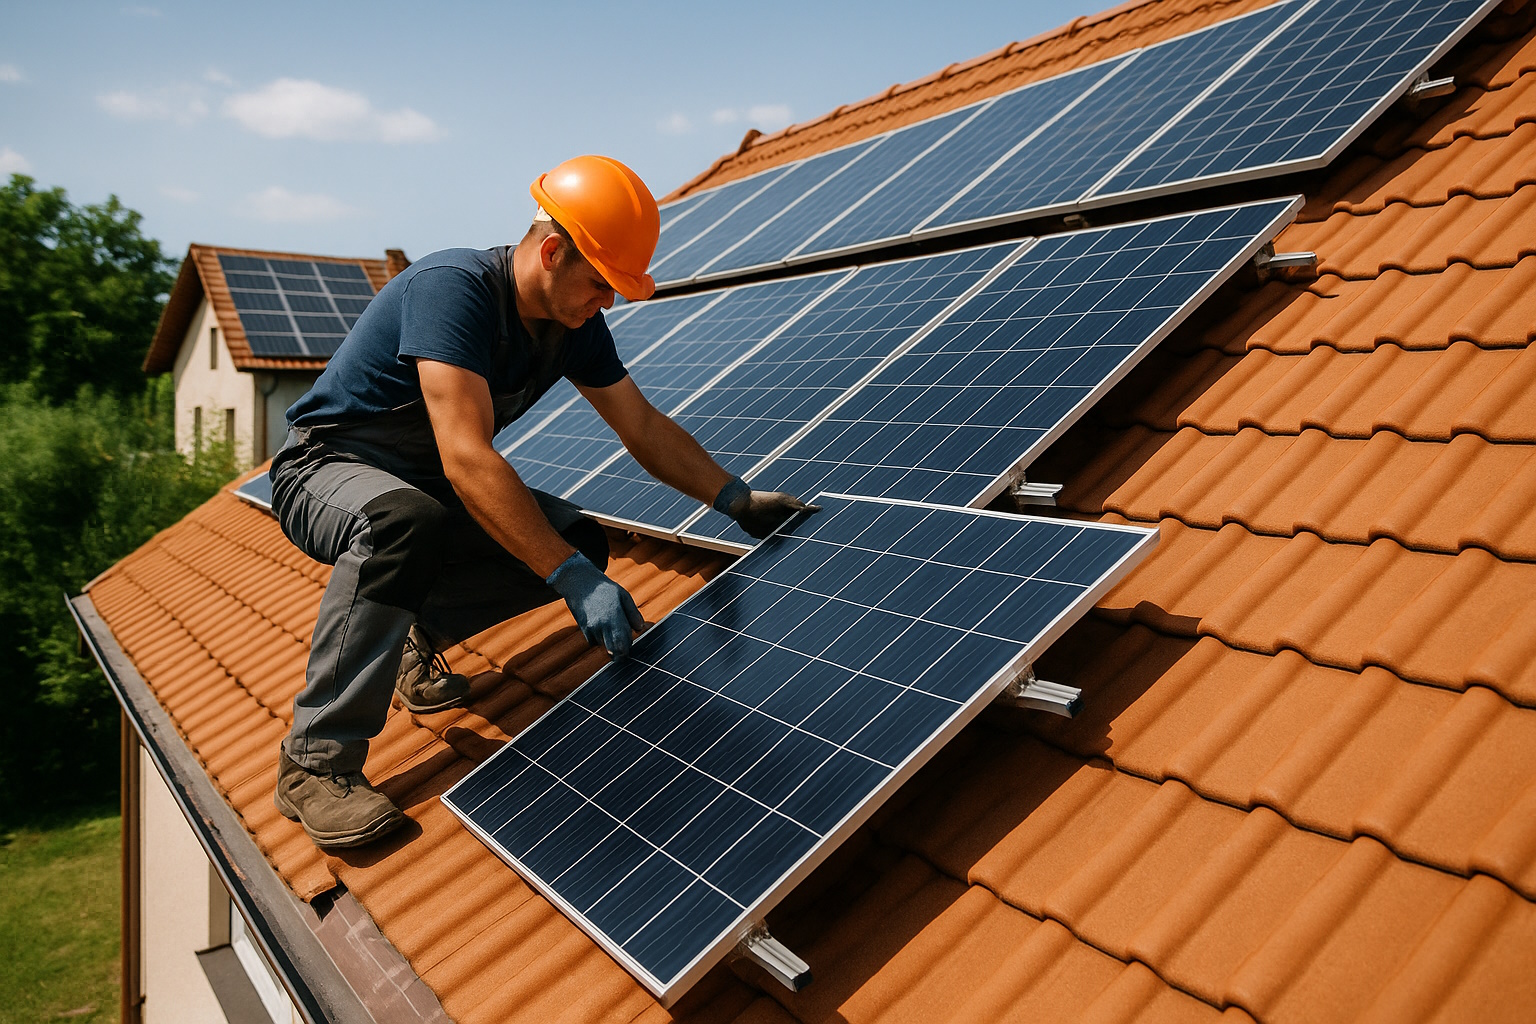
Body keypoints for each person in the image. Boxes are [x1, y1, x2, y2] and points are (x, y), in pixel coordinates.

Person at [268, 155, 814, 849]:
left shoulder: (572, 325)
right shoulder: (454, 291)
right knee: (410, 524)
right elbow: (466, 456)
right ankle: (315, 762)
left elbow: (639, 425)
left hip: (426, 484)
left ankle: (411, 632)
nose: (606, 302)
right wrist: (567, 578)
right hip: (329, 468)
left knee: (576, 539)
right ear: (551, 251)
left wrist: (733, 497)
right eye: (598, 283)